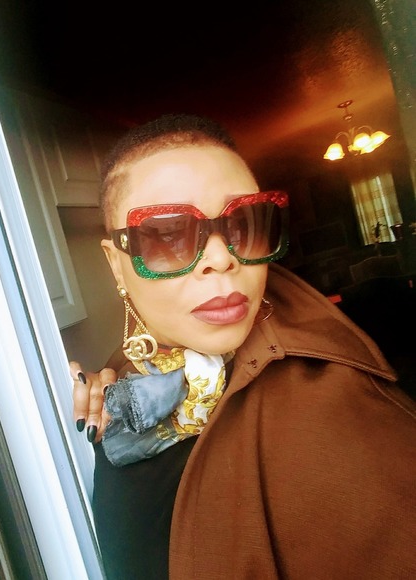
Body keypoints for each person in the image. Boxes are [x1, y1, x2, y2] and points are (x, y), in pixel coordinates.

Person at [69, 114, 416, 579]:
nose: (222, 258)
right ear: (117, 263)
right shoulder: (120, 384)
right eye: (167, 235)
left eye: (245, 224)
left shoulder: (340, 413)